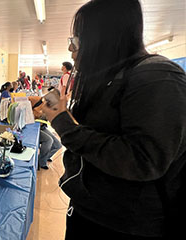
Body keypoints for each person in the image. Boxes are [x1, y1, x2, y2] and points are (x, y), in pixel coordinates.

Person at [42, 0, 186, 239]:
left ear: (102, 38)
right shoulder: (110, 78)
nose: (71, 49)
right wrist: (64, 112)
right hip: (89, 209)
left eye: (76, 40)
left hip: (124, 225)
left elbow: (143, 160)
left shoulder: (158, 77)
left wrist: (63, 123)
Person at [28, 95, 62, 170]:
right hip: (35, 128)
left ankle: (43, 158)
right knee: (49, 140)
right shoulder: (36, 101)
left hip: (42, 127)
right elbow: (33, 116)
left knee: (58, 145)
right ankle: (41, 162)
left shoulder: (48, 107)